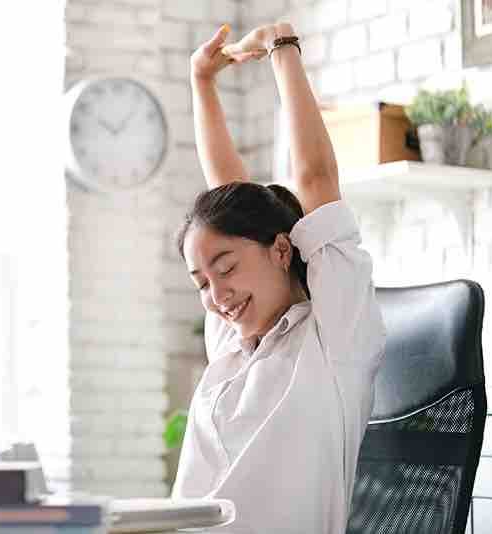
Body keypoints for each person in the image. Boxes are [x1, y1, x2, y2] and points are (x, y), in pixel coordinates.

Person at [171, 22, 387, 534]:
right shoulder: (232, 343)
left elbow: (315, 179)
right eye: (201, 282)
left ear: (282, 249)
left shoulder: (333, 336)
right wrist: (201, 80)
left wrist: (283, 48)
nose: (217, 296)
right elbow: (228, 198)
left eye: (224, 270)